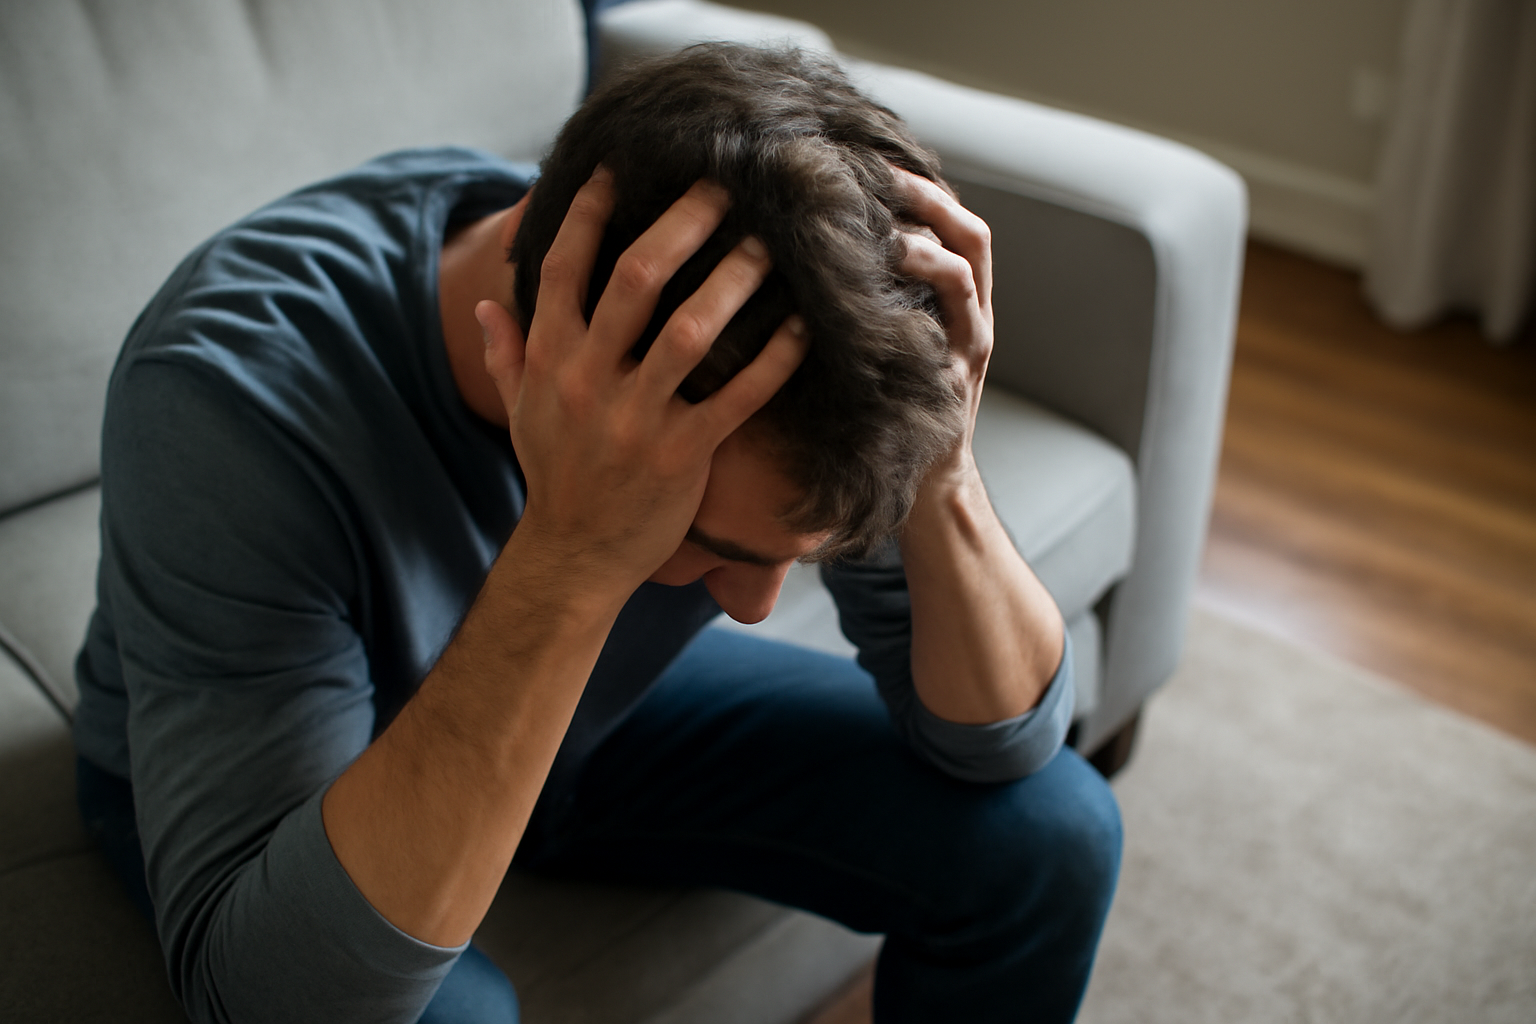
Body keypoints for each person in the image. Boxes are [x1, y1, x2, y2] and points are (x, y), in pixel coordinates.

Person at [73, 44, 1121, 1024]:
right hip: (285, 767)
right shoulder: (227, 394)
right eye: (713, 545)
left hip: (589, 701)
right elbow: (262, 996)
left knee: (1053, 838)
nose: (753, 607)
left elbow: (1002, 744)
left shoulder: (781, 336)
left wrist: (939, 467)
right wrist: (575, 551)